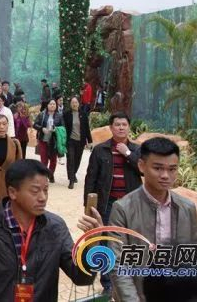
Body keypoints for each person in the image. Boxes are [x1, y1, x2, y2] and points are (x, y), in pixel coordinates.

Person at [0, 160, 101, 301]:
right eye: (35, 191)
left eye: (46, 190)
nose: (43, 197)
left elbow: (82, 278)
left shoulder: (55, 228)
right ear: (12, 192)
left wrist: (92, 245)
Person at [108, 137, 197, 302]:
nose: (165, 175)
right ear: (141, 166)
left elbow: (192, 257)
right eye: (158, 168)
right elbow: (119, 264)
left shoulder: (187, 208)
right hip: (138, 295)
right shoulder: (123, 209)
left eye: (172, 169)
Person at [84, 111, 142, 295]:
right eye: (117, 124)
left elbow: (144, 170)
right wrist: (88, 205)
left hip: (131, 204)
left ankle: (129, 279)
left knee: (130, 242)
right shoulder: (100, 150)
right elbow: (91, 177)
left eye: (124, 124)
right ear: (111, 127)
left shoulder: (137, 150)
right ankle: (108, 283)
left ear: (129, 127)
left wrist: (128, 154)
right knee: (106, 242)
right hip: (108, 203)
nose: (121, 128)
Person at [63, 96, 92, 189]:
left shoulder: (83, 114)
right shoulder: (66, 114)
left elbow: (87, 128)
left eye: (76, 102)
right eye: (72, 103)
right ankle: (71, 180)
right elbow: (63, 127)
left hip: (80, 141)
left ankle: (73, 174)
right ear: (70, 104)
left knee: (77, 160)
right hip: (70, 140)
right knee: (70, 159)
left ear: (79, 104)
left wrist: (90, 141)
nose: (74, 104)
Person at [33, 99, 63, 182]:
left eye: (54, 104)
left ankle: (50, 174)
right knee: (44, 159)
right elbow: (35, 125)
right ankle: (44, 176)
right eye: (51, 104)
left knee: (53, 160)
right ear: (47, 105)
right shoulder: (42, 114)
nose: (52, 105)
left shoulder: (59, 116)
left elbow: (63, 127)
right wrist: (42, 129)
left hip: (54, 140)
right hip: (43, 140)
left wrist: (56, 129)